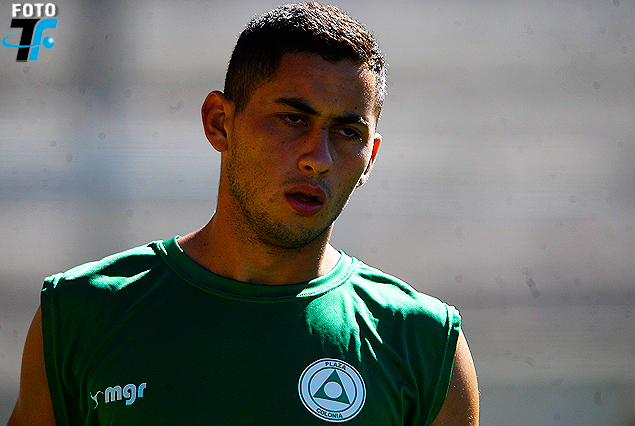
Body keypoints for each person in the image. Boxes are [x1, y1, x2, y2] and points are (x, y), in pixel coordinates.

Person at [8, 2, 479, 425]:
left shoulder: (423, 344)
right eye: (293, 119)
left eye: (347, 133)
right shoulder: (82, 313)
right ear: (220, 123)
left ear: (369, 159)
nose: (318, 158)